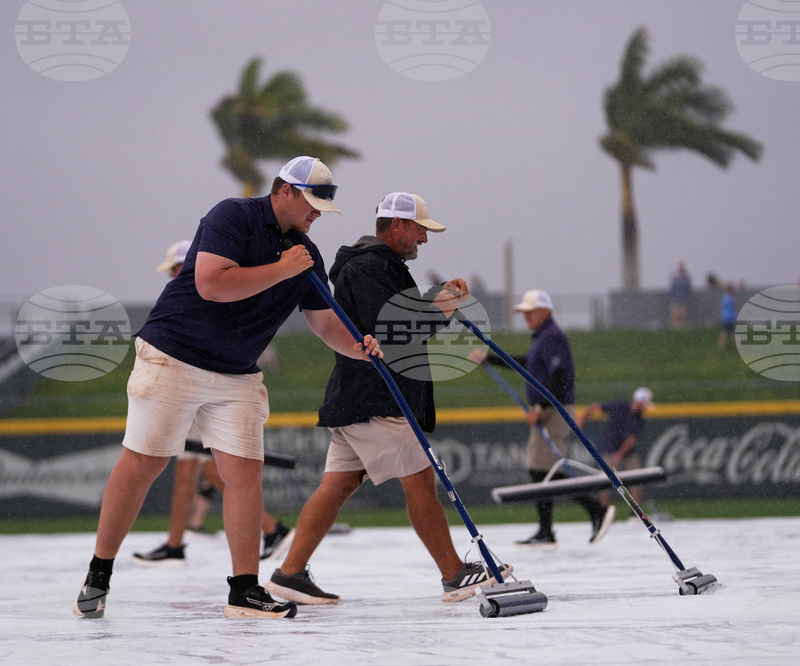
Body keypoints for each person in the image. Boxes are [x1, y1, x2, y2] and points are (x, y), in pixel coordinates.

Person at [73, 156, 381, 620]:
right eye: (312, 203)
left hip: (237, 373)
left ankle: (244, 591)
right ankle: (99, 571)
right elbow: (212, 285)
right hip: (173, 356)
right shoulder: (232, 216)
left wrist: (358, 345)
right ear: (285, 191)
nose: (317, 213)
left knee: (245, 472)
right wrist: (283, 268)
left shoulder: (306, 255)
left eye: (323, 206)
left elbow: (323, 322)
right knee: (144, 463)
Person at [266, 191, 512, 606]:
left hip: (358, 396)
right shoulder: (368, 267)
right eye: (420, 230)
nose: (425, 240)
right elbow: (394, 334)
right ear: (397, 226)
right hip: (378, 397)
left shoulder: (381, 267)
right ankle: (454, 574)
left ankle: (289, 574)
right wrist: (442, 307)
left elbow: (399, 320)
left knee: (337, 485)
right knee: (419, 478)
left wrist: (438, 300)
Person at [131, 241, 292, 568]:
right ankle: (180, 542)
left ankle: (268, 529)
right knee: (198, 467)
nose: (172, 277)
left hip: (196, 383)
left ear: (181, 267)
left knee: (198, 466)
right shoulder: (207, 290)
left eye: (173, 270)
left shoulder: (197, 295)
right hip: (203, 383)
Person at [470, 289, 612, 549]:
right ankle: (550, 529)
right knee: (540, 470)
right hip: (549, 410)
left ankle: (593, 511)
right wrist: (491, 359)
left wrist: (541, 407)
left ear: (545, 311)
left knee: (545, 471)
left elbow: (560, 377)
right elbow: (528, 364)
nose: (526, 317)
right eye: (524, 313)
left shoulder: (553, 337)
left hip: (556, 410)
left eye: (530, 312)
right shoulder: (543, 338)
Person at [577, 388, 654, 507]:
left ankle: (635, 513)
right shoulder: (620, 406)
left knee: (638, 478)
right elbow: (595, 407)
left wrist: (619, 454)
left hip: (626, 453)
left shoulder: (639, 418)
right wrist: (583, 418)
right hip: (610, 449)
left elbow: (630, 441)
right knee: (606, 482)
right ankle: (603, 511)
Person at [668, 262, 691, 328]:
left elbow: (687, 287)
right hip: (675, 298)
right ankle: (675, 324)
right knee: (675, 312)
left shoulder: (685, 277)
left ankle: (681, 324)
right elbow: (672, 288)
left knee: (682, 312)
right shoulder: (675, 277)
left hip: (682, 298)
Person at [717, 282, 738, 350]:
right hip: (730, 317)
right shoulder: (730, 297)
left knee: (727, 332)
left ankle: (721, 346)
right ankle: (721, 346)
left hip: (725, 317)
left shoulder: (724, 297)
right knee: (728, 333)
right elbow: (734, 305)